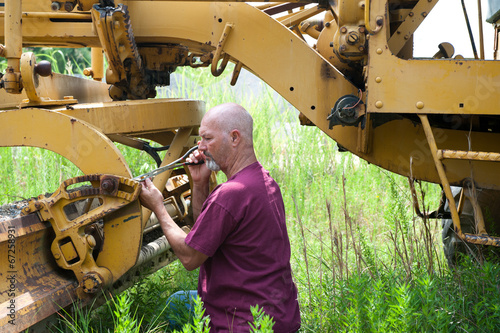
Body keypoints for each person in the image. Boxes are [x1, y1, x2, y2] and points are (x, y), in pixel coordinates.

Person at [139, 103, 301, 332]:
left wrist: (158, 207)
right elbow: (203, 233)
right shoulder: (263, 181)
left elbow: (189, 257)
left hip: (244, 322)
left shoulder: (231, 194)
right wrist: (199, 183)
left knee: (171, 310)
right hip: (277, 314)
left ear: (234, 138)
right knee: (177, 302)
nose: (200, 147)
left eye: (207, 139)